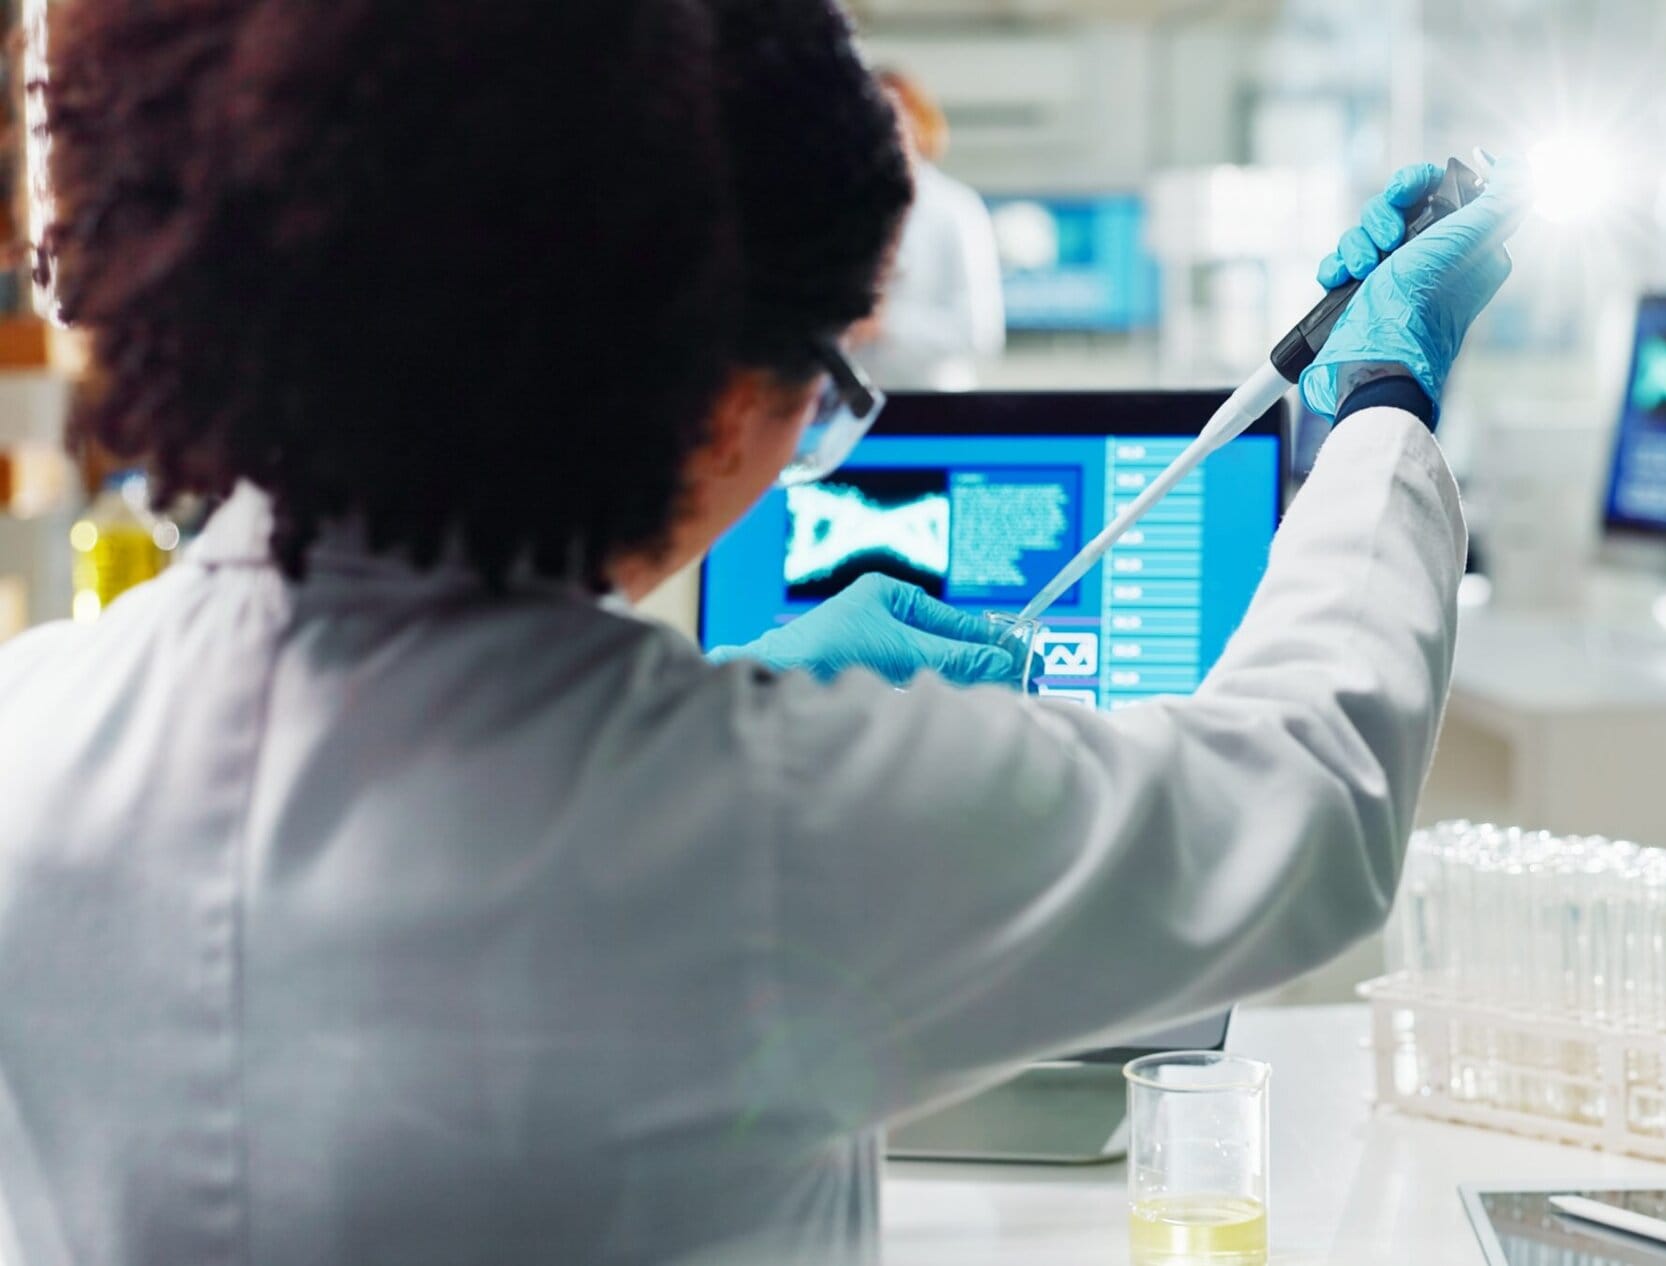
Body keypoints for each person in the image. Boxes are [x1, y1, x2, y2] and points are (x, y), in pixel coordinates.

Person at [0, 2, 1524, 1264]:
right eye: (826, 379)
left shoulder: (33, 731)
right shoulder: (765, 824)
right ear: (713, 391)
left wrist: (742, 689)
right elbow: (1303, 800)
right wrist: (1380, 406)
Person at [851, 68, 1007, 392]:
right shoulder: (843, 205)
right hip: (856, 404)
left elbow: (979, 332)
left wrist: (885, 326)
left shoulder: (954, 209)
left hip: (934, 402)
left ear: (917, 127)